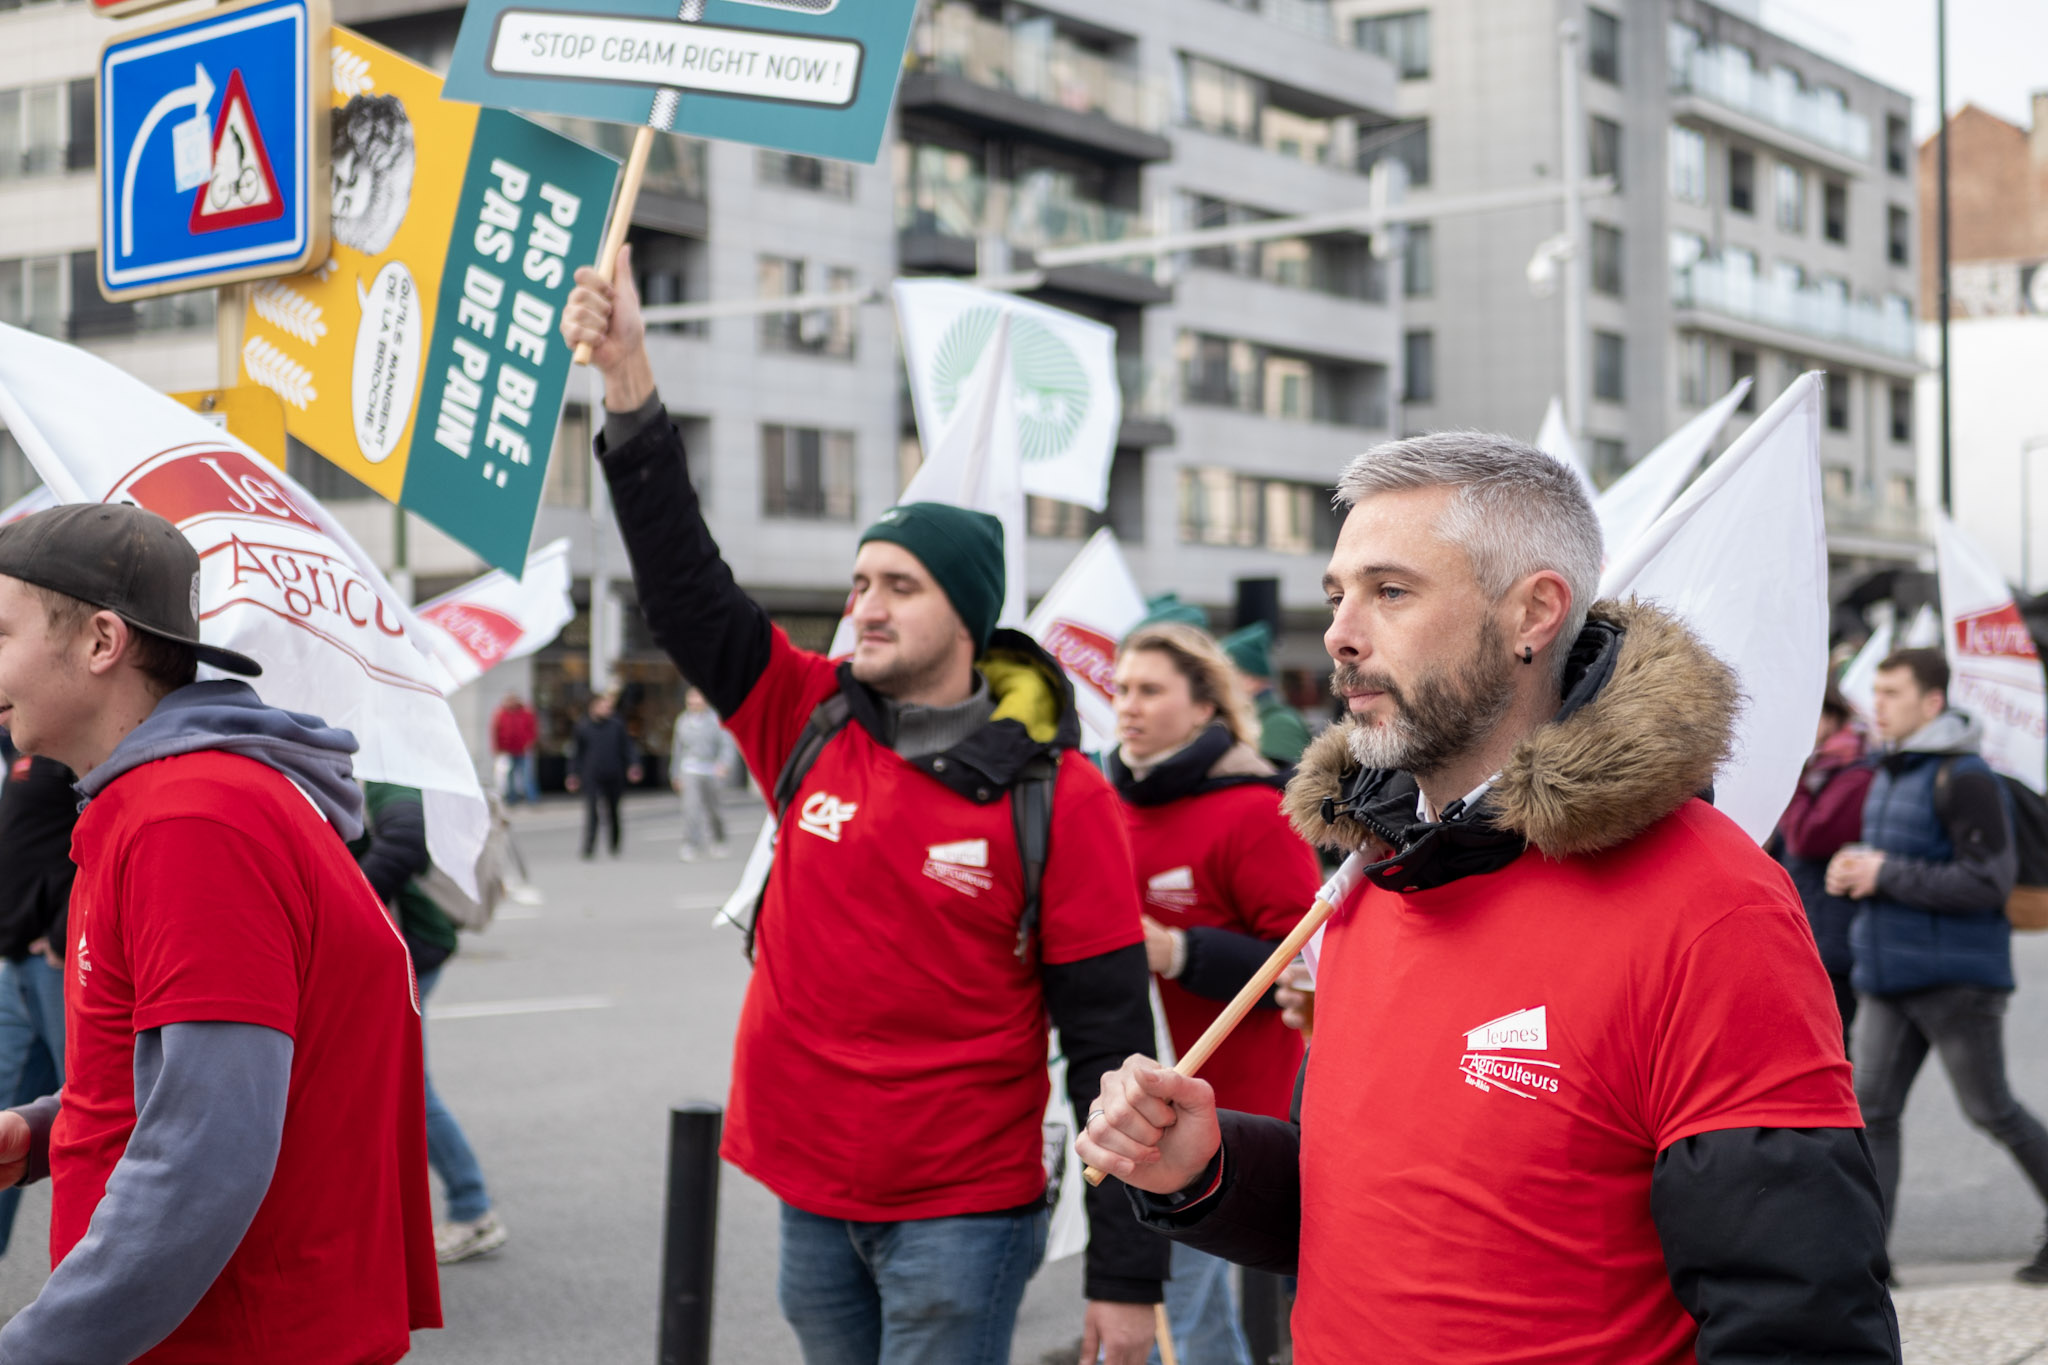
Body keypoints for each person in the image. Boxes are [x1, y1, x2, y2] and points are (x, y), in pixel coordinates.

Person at [1079, 432, 1896, 1363]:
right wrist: (1206, 1167)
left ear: (1533, 613)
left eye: (1391, 591)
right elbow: (1362, 1208)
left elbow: (1801, 1318)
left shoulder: (1713, 903)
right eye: (1337, 595)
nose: (1341, 633)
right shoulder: (1369, 872)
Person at [563, 253, 1169, 1365]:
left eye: (900, 585)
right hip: (806, 1192)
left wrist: (1126, 1278)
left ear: (967, 615)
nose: (866, 606)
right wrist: (627, 372)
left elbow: (1111, 1041)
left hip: (962, 1209)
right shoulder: (804, 712)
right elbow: (684, 587)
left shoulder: (1059, 793)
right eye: (860, 582)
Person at [0, 502, 438, 1361]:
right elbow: (195, 1082)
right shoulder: (179, 801)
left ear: (101, 641)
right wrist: (55, 1127)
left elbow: (209, 1153)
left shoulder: (191, 820)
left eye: (2, 631)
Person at [1106, 623, 1322, 1365]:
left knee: (1187, 1318)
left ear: (1204, 706)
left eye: (1149, 689)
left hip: (1224, 1108)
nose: (1127, 705)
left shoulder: (1254, 809)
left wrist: (1179, 951)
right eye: (1121, 688)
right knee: (1170, 1316)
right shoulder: (1099, 803)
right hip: (1123, 1093)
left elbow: (1300, 959)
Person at [1827, 648, 2048, 1284]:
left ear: (1932, 702)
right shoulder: (1891, 768)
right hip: (1888, 976)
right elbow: (1902, 857)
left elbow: (1987, 880)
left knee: (1992, 1109)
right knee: (1874, 1114)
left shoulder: (1967, 777)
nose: (1878, 705)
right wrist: (1857, 865)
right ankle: (1870, 1265)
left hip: (1955, 981)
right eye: (1877, 692)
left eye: (1893, 693)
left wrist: (1884, 873)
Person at [355, 781, 511, 1266]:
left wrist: (346, 899)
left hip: (408, 944)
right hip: (405, 943)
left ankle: (472, 1208)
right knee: (388, 1085)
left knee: (408, 1088)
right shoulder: (377, 768)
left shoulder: (387, 773)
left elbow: (405, 839)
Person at [0, 742, 76, 1257]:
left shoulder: (74, 749)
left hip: (57, 966)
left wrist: (63, 934)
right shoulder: (23, 745)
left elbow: (99, 831)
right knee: (9, 1122)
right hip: (16, 965)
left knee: (92, 1117)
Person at [1776, 680, 1875, 1053]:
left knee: (1830, 1045)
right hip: (1812, 925)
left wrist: (1795, 779)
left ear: (1833, 718)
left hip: (1834, 935)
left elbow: (1808, 836)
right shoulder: (1822, 768)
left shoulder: (1855, 773)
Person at [1217, 623, 1311, 768]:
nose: (1219, 684)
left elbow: (1285, 780)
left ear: (1250, 679)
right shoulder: (1255, 719)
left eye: (1225, 675)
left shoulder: (1278, 725)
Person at [568, 692, 640, 859]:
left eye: (609, 707)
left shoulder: (617, 725)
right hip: (592, 774)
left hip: (614, 772)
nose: (607, 709)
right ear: (593, 707)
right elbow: (576, 753)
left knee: (613, 810)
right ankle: (589, 847)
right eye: (603, 706)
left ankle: (614, 844)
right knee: (592, 811)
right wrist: (572, 774)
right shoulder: (583, 726)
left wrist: (633, 765)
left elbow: (627, 747)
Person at [671, 687, 737, 861]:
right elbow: (677, 750)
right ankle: (691, 843)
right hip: (689, 770)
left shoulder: (715, 720)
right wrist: (675, 774)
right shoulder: (683, 721)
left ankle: (719, 839)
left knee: (714, 809)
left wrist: (724, 764)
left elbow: (726, 744)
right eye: (691, 699)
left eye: (697, 699)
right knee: (690, 809)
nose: (694, 703)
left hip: (710, 769)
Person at [493, 693, 540, 805]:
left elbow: (532, 729)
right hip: (507, 750)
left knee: (527, 774)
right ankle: (511, 797)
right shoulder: (501, 714)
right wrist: (497, 748)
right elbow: (496, 731)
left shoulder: (526, 713)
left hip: (522, 749)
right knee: (509, 775)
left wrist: (529, 743)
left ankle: (531, 797)